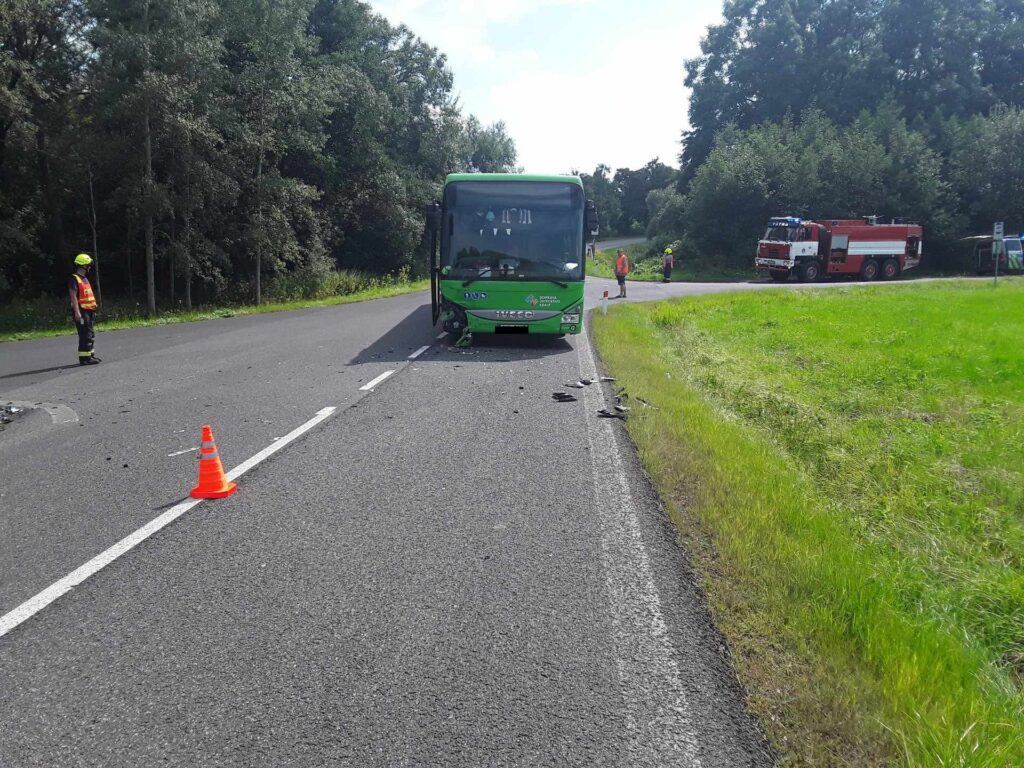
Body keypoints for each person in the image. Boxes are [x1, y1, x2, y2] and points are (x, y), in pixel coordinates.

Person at [69, 253, 101, 365]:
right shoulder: (75, 279)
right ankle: (84, 359)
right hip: (81, 311)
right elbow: (73, 296)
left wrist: (93, 310)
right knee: (85, 334)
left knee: (90, 333)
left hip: (89, 310)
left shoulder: (85, 279)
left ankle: (90, 355)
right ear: (83, 265)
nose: (90, 266)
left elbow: (88, 296)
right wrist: (77, 312)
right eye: (88, 264)